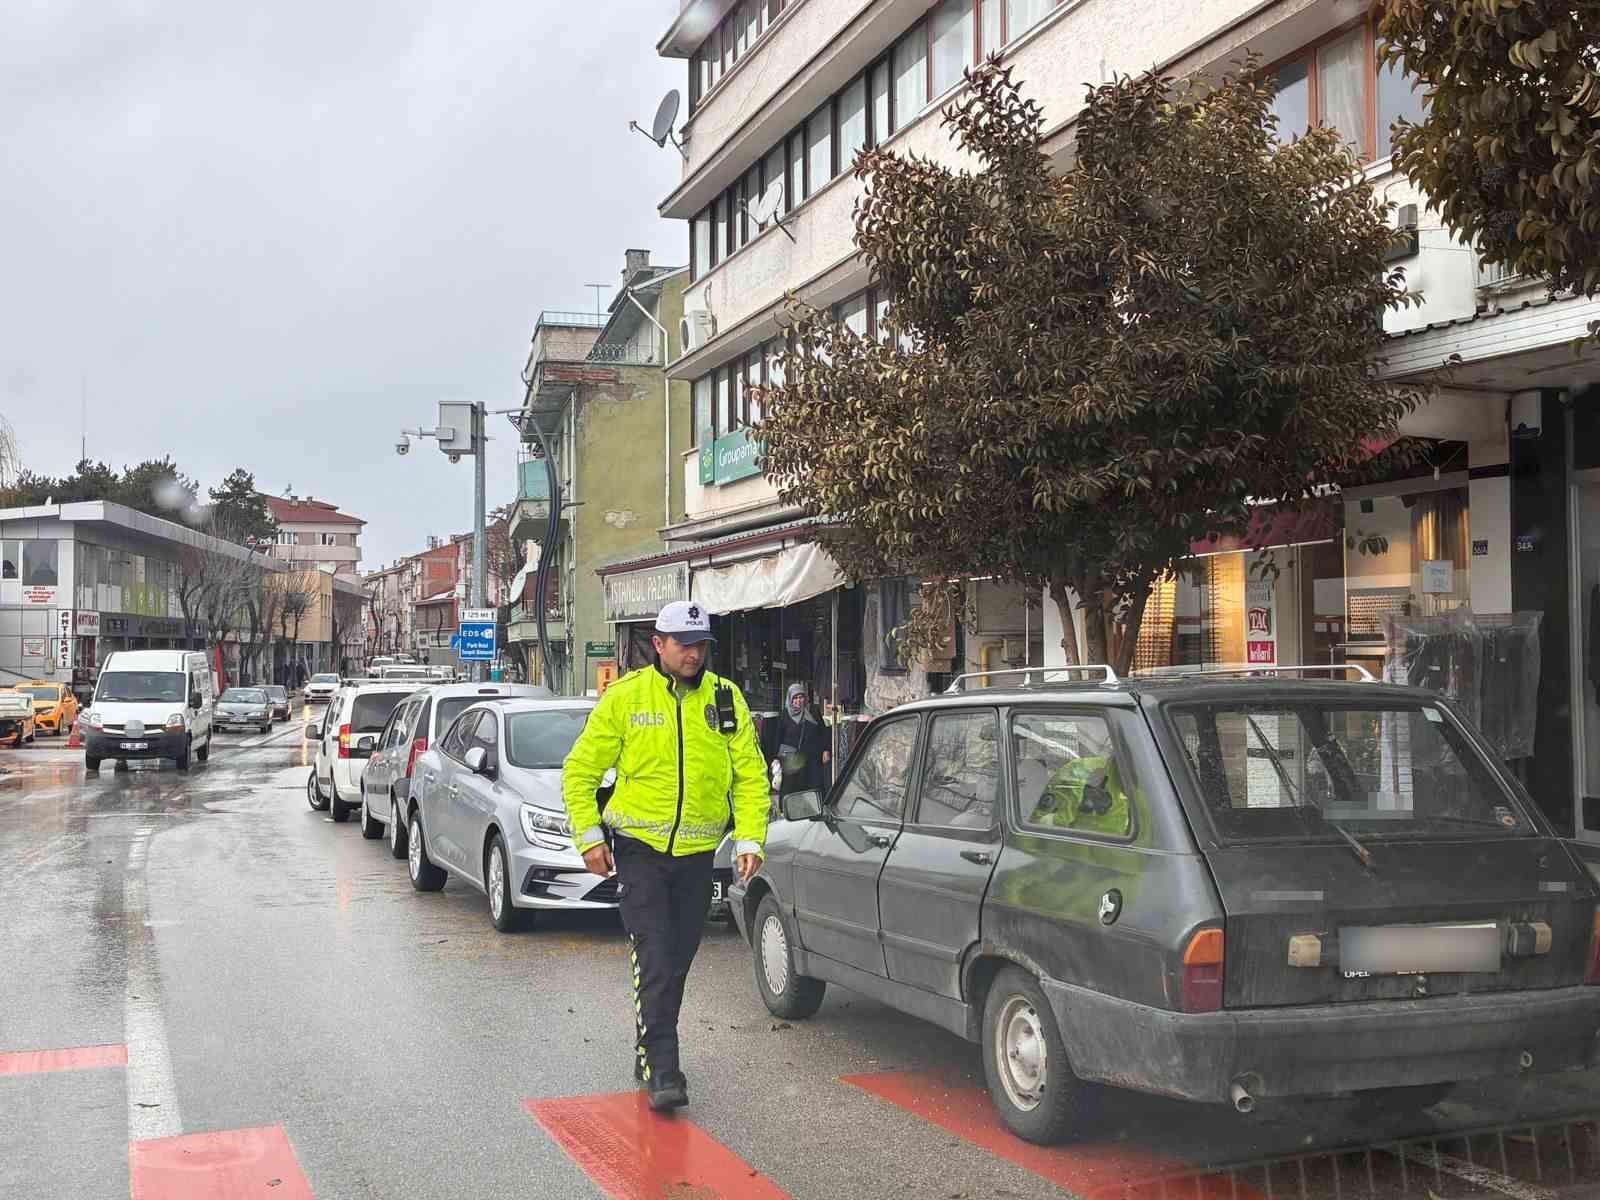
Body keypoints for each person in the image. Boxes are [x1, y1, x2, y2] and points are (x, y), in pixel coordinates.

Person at [562, 599, 768, 1113]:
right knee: (653, 954)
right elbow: (580, 771)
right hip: (640, 853)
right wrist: (589, 837)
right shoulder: (626, 697)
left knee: (677, 959)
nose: (694, 654)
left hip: (698, 855)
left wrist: (749, 838)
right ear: (658, 644)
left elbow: (749, 775)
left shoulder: (725, 699)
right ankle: (664, 1069)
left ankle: (649, 1043)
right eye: (684, 644)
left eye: (701, 645)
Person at [772, 683, 831, 797]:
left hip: (812, 757)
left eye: (801, 697)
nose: (798, 701)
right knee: (791, 789)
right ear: (790, 699)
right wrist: (775, 758)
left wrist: (825, 750)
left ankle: (815, 807)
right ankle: (789, 807)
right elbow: (778, 737)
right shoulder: (785, 714)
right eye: (795, 698)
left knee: (814, 788)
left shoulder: (813, 711)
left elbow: (823, 732)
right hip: (790, 757)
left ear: (805, 698)